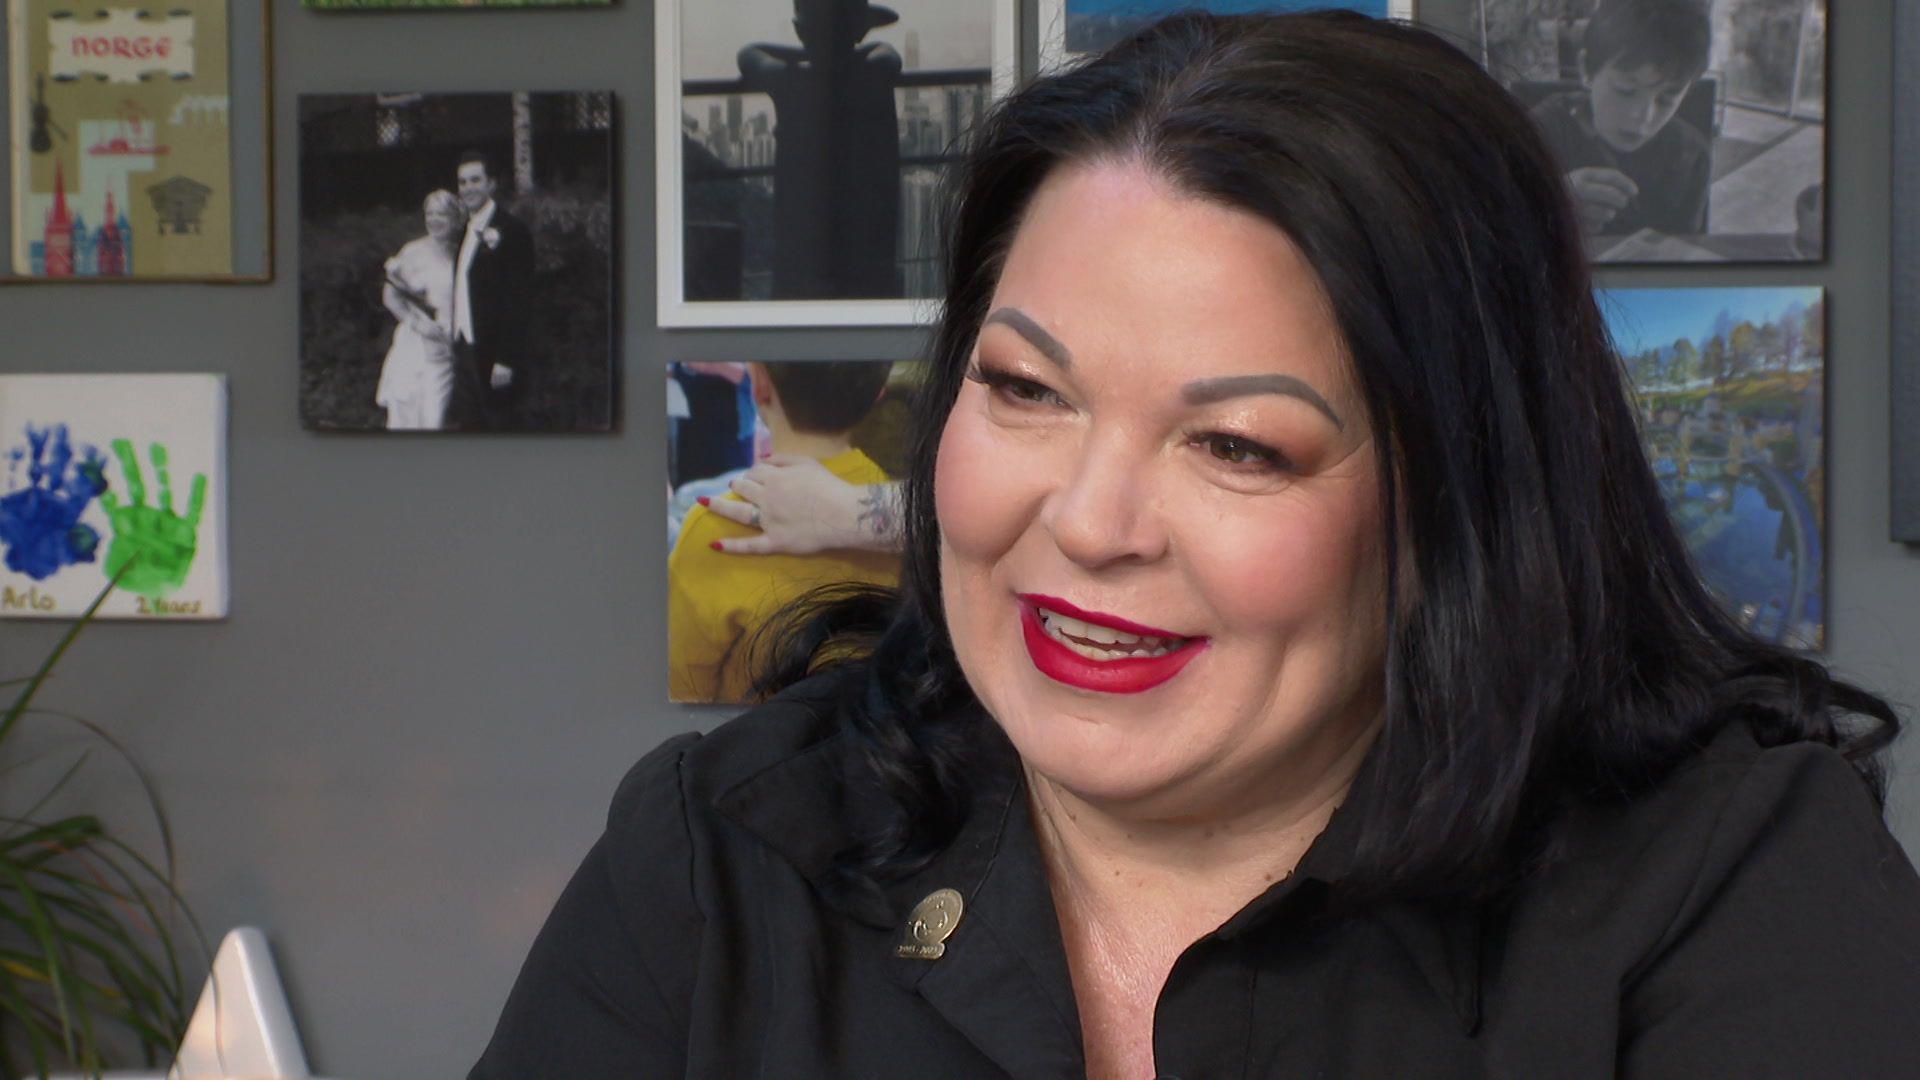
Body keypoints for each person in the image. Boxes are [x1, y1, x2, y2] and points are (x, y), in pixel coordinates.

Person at [472, 12, 1920, 1078]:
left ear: (1466, 498)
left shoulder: (1733, 885)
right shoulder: (721, 857)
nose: (1090, 526)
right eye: (1027, 392)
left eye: (1238, 447)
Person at [666, 361, 899, 703]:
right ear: (878, 395)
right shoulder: (914, 521)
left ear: (759, 384)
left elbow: (686, 690)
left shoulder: (712, 526)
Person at [738, 0, 904, 299]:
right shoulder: (875, 72)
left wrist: (811, 51)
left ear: (800, 31)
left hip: (800, 254)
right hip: (867, 253)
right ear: (860, 30)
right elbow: (889, 55)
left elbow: (749, 54)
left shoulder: (789, 81)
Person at [1527, 0, 1713, 240]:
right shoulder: (1541, 133)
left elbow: (1681, 259)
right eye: (1625, 90)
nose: (1642, 117)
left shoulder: (1692, 157)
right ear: (1586, 70)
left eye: (1666, 100)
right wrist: (1549, 205)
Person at [447, 150, 535, 430]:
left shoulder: (512, 230)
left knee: (500, 431)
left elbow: (519, 299)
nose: (468, 188)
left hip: (494, 353)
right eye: (462, 182)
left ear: (491, 184)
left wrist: (507, 359)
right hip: (463, 348)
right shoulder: (463, 231)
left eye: (475, 180)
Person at [373, 190, 462, 431]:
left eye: (441, 214)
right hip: (415, 344)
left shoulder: (462, 253)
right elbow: (390, 296)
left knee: (434, 419)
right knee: (406, 416)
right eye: (429, 213)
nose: (434, 219)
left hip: (445, 347)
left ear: (455, 218)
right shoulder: (412, 251)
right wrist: (419, 323)